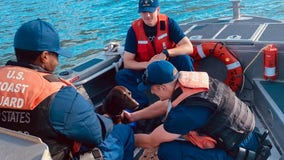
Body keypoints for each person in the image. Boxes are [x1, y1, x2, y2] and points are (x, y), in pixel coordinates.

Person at [0, 19, 134, 160]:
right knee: (123, 132)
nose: (58, 61)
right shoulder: (56, 94)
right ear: (44, 56)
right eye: (56, 55)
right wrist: (109, 116)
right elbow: (97, 134)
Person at [124, 60, 272, 160]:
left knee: (167, 150)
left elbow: (151, 141)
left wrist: (120, 135)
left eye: (152, 90)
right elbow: (165, 104)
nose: (153, 94)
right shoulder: (190, 84)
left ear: (162, 87)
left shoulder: (186, 113)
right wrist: (133, 116)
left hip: (239, 153)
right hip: (249, 134)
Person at [115, 0, 195, 110]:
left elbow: (188, 47)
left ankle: (191, 96)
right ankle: (142, 107)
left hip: (168, 66)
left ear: (157, 10)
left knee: (184, 59)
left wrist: (166, 53)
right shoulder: (133, 31)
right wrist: (148, 64)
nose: (147, 16)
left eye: (150, 11)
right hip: (147, 69)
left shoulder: (169, 23)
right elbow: (128, 62)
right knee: (122, 75)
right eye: (143, 12)